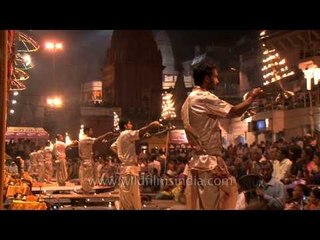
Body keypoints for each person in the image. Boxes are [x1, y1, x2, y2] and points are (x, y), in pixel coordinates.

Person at [181, 57, 263, 210]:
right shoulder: (204, 97)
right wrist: (252, 97)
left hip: (197, 162)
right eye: (215, 76)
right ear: (207, 79)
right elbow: (234, 111)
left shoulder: (187, 101)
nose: (217, 81)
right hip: (209, 163)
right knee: (215, 205)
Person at [110, 119, 161, 210]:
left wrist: (121, 156)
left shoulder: (120, 137)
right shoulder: (127, 133)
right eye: (130, 123)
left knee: (126, 194)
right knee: (132, 194)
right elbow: (139, 132)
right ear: (125, 126)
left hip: (125, 168)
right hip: (129, 169)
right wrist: (151, 125)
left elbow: (112, 147)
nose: (132, 125)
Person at [78, 127, 115, 193]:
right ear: (87, 131)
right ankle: (88, 191)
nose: (92, 131)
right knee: (87, 176)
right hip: (87, 160)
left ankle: (85, 189)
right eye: (91, 130)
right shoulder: (86, 138)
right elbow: (97, 139)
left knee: (85, 175)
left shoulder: (81, 139)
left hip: (84, 160)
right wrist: (106, 134)